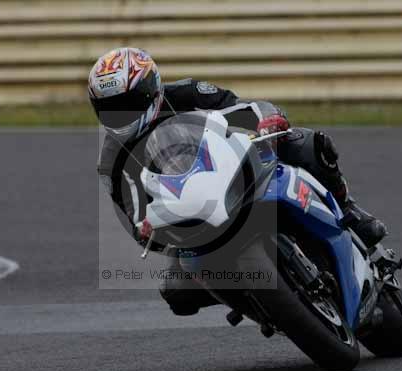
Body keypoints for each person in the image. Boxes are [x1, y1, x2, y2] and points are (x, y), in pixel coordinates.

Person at [91, 47, 387, 315]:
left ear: (151, 90)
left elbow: (239, 107)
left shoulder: (185, 93)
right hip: (187, 213)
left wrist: (266, 119)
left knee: (308, 143)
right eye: (109, 108)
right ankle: (261, 305)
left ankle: (349, 208)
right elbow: (131, 209)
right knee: (177, 293)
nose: (120, 115)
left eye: (127, 103)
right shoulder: (110, 161)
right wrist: (145, 230)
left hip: (231, 165)